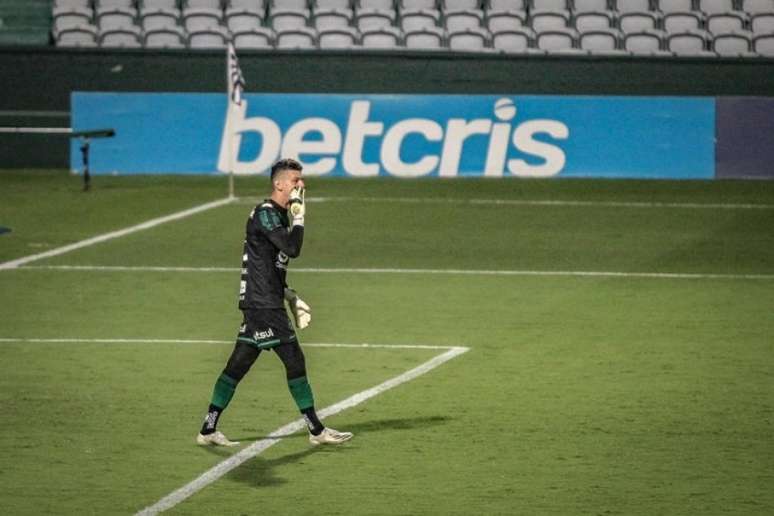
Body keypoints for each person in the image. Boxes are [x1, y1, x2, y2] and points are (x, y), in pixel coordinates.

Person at [196, 158, 353, 447]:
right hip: (263, 306)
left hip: (262, 301)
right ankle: (316, 430)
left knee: (238, 365)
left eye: (301, 180)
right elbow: (292, 249)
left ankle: (207, 429)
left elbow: (270, 266)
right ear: (279, 184)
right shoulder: (266, 214)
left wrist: (289, 294)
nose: (301, 185)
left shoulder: (278, 216)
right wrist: (300, 218)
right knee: (294, 361)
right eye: (295, 181)